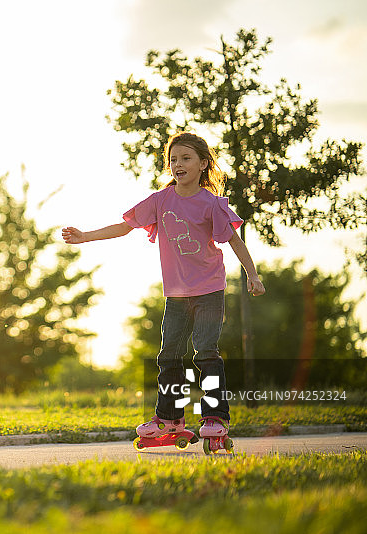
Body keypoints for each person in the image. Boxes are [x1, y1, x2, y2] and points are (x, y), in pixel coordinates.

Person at [62, 132, 265, 445]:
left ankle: (214, 417)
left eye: (185, 158)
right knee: (169, 355)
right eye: (173, 159)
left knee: (206, 352)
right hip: (176, 296)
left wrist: (252, 275)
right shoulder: (160, 200)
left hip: (209, 291)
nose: (178, 164)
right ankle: (170, 417)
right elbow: (124, 227)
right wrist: (85, 236)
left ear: (202, 164)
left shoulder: (211, 204)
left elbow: (235, 241)